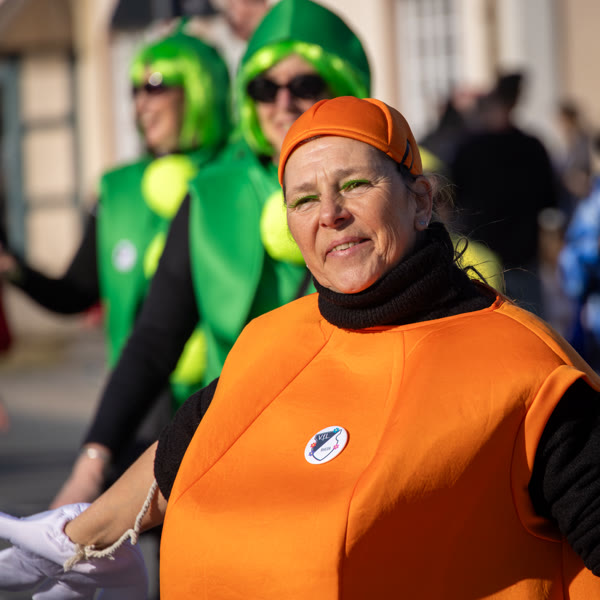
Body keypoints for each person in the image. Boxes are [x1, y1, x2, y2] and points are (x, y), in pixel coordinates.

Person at [3, 95, 600, 599]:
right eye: (304, 199)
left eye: (355, 185)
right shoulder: (270, 340)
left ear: (420, 201)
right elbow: (179, 457)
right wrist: (74, 541)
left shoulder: (529, 372)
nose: (330, 214)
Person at [51, 0, 372, 507]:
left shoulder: (387, 191)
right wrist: (90, 466)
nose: (283, 103)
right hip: (235, 457)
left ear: (344, 89)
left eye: (305, 85)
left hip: (358, 454)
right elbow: (154, 341)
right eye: (263, 87)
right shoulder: (210, 195)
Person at [0, 31, 231, 503]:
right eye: (134, 89)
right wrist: (15, 268)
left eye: (157, 86)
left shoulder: (240, 182)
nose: (141, 103)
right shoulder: (117, 190)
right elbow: (76, 292)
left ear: (201, 89)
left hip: (224, 396)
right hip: (142, 404)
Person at [450, 72, 560, 316]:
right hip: (520, 259)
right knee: (531, 329)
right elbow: (550, 201)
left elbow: (453, 201)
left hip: (481, 262)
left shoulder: (468, 149)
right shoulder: (531, 147)